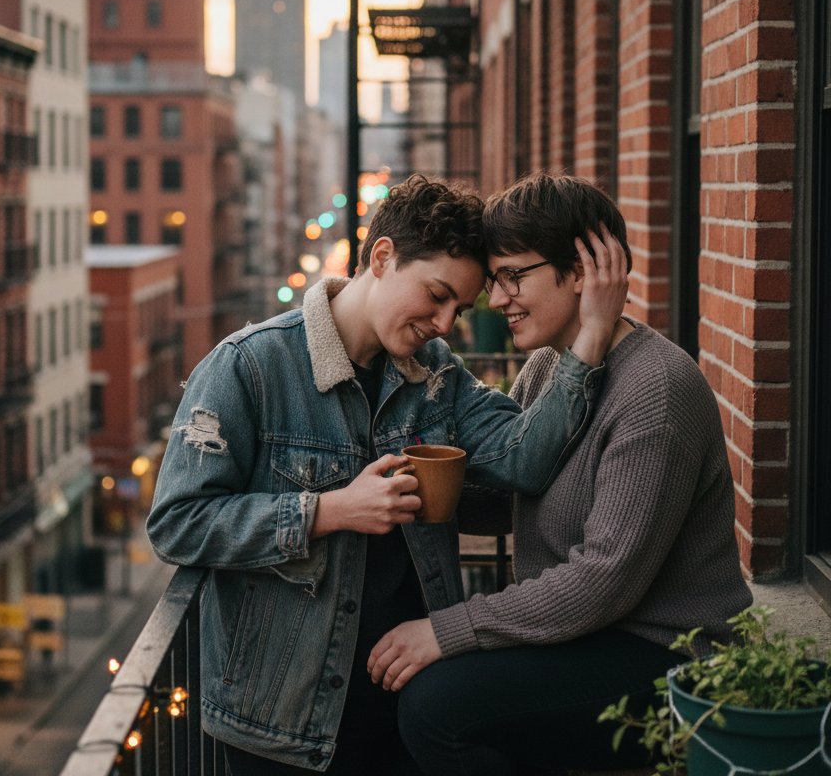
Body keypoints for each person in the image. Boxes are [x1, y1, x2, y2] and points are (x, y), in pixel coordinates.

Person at [146, 174, 629, 775]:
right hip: (281, 721)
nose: (446, 323)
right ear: (382, 257)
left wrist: (591, 335)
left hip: (408, 699)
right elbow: (177, 523)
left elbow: (524, 458)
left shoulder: (436, 375)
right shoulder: (250, 367)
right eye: (436, 295)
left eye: (460, 308)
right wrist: (330, 510)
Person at [368, 172, 753, 775]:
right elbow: (533, 495)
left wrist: (450, 629)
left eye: (513, 276)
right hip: (589, 637)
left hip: (667, 657)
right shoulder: (550, 365)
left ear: (585, 271)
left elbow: (604, 578)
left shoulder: (658, 389)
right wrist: (404, 492)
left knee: (436, 708)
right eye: (493, 281)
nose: (496, 301)